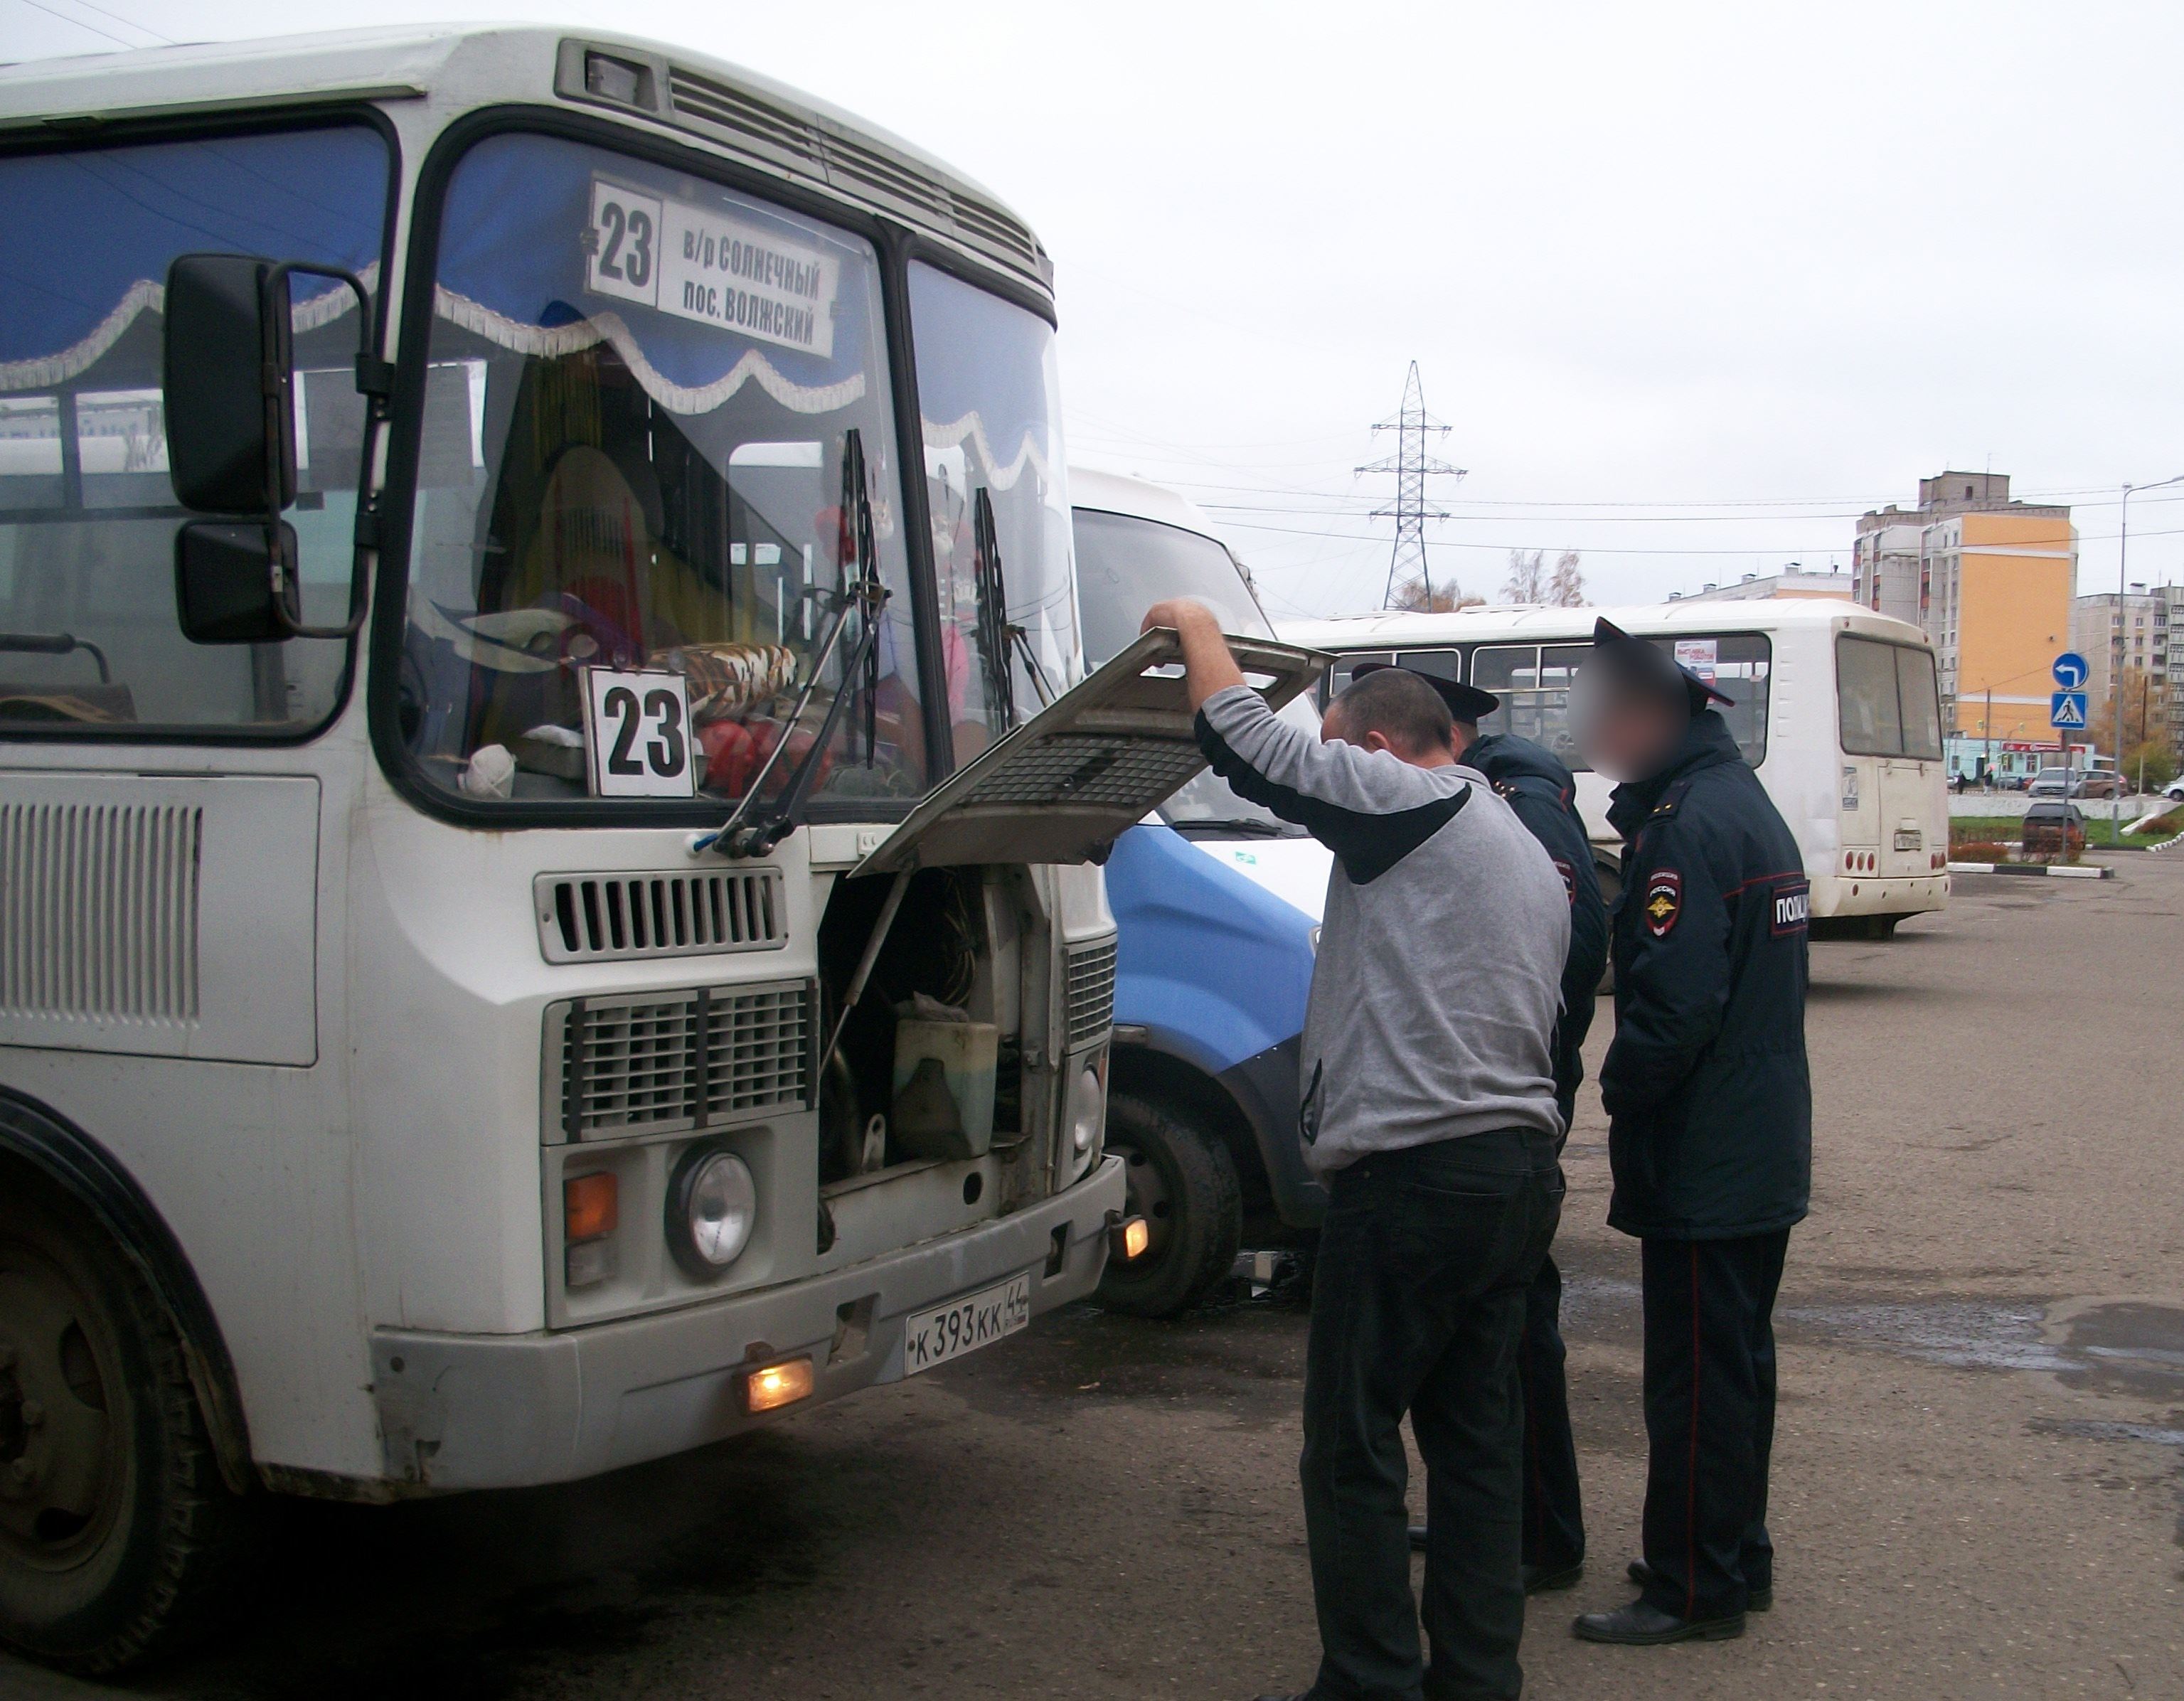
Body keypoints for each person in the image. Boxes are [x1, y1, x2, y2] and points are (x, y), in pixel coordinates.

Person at [1138, 601, 1570, 1701]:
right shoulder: (1516, 844)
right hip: (1514, 1177)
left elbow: (1251, 746)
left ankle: (1371, 1681)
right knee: (1475, 1449)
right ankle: (1477, 1680)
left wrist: (1193, 624)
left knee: (1352, 1444)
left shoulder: (1413, 802)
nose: (1332, 790)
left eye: (1342, 762)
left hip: (1418, 1178)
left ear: (1375, 753)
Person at [1563, 617, 1811, 1648]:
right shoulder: (1742, 806)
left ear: (1657, 719)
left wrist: (1615, 1089)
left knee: (1698, 1380)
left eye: (1610, 716)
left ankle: (1694, 1587)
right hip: (1757, 1141)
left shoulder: (1682, 829)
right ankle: (1732, 1553)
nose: (1598, 733)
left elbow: (1671, 1008)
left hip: (1710, 1150)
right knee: (1737, 1365)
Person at [1357, 667, 1607, 1596]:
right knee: (1498, 1347)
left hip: (1502, 1108)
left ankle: (1539, 1534)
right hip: (1510, 1101)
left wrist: (1523, 1043)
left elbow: (1577, 944)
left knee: (1508, 1348)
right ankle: (1521, 1534)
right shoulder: (1497, 794)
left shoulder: (1512, 803)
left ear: (1444, 740)